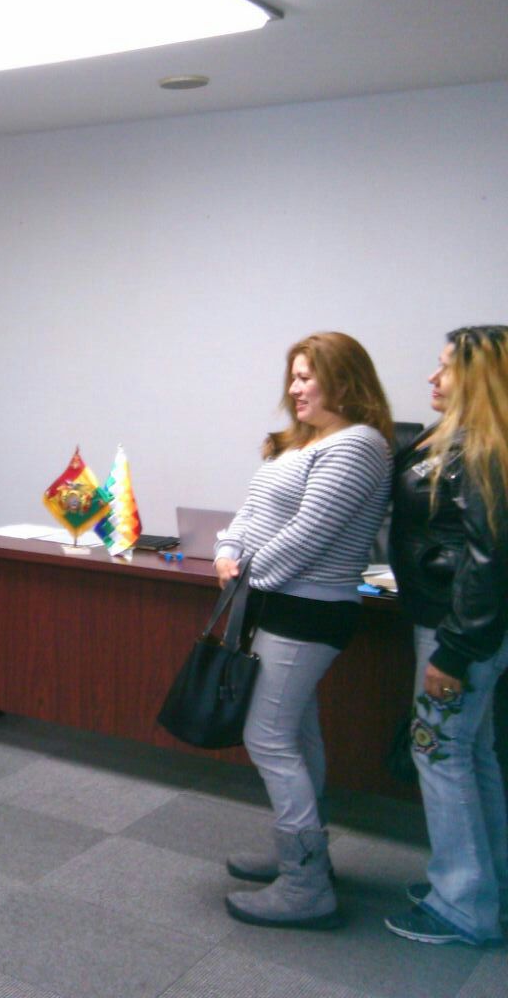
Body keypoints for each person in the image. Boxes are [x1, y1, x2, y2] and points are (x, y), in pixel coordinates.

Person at [216, 332, 393, 929]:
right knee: (295, 733)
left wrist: (246, 575)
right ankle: (303, 852)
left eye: (306, 377)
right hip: (277, 602)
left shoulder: (358, 443)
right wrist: (227, 550)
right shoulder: (300, 442)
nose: (294, 388)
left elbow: (308, 535)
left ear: (344, 380)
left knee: (268, 738)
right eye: (292, 377)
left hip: (309, 609)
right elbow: (252, 512)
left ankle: (305, 884)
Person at [385, 325, 508, 947]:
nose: (432, 378)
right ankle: (489, 888)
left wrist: (454, 651)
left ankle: (461, 905)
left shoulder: (484, 449)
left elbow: (490, 559)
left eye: (446, 368)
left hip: (457, 632)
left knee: (438, 752)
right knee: (472, 752)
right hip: (458, 627)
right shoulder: (461, 439)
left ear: (480, 378)